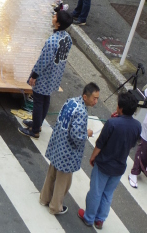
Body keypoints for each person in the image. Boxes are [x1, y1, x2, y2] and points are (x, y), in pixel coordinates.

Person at [78, 90, 141, 228]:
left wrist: (93, 156)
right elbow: (132, 143)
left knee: (96, 191)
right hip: (119, 166)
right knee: (108, 194)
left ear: (121, 108)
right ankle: (100, 219)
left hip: (104, 163)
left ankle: (89, 217)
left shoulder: (112, 123)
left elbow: (100, 143)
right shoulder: (137, 126)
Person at [41, 83, 99, 216]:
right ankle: (55, 207)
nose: (96, 101)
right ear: (85, 97)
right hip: (68, 152)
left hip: (58, 145)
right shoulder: (82, 112)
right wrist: (87, 133)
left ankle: (44, 199)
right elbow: (77, 136)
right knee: (63, 182)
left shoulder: (71, 101)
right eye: (94, 98)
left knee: (51, 174)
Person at [19, 8, 73, 139]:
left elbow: (43, 61)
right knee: (45, 99)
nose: (53, 17)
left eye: (55, 16)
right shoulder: (67, 38)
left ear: (58, 23)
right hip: (56, 74)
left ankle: (35, 130)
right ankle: (38, 123)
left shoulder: (52, 41)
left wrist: (34, 75)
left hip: (45, 75)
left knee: (38, 100)